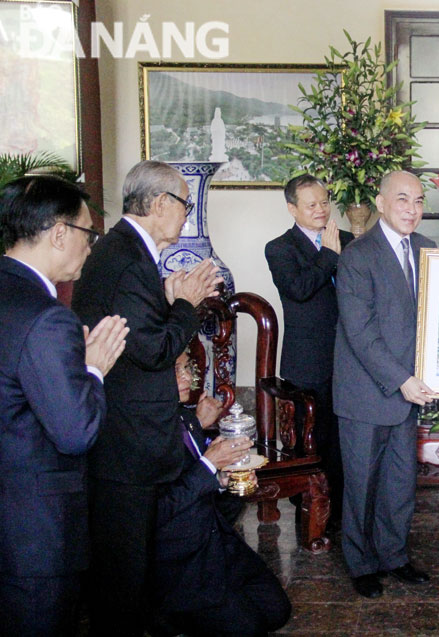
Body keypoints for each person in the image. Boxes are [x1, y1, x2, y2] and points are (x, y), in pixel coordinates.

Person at [72, 160, 222, 635]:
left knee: (137, 566)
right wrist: (185, 303)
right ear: (160, 204)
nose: (186, 214)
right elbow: (155, 349)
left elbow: (139, 331)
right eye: (184, 204)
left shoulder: (131, 254)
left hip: (134, 438)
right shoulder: (123, 258)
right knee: (121, 575)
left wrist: (165, 295)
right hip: (124, 443)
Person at [0, 176, 128, 636]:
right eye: (87, 234)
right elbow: (76, 433)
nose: (90, 248)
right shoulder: (47, 316)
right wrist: (93, 368)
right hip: (33, 535)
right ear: (59, 234)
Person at [333, 170, 436, 598]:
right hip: (368, 391)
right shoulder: (357, 256)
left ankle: (394, 556)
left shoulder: (429, 250)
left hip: (409, 391)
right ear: (380, 202)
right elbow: (360, 332)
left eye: (418, 201)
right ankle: (360, 563)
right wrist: (402, 380)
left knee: (399, 482)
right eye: (402, 200)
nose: (411, 209)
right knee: (362, 482)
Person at [149, 352, 291, 637]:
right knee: (248, 628)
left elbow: (209, 498)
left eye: (187, 367)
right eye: (177, 370)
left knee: (277, 611)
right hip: (181, 566)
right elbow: (157, 511)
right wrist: (209, 464)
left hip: (217, 546)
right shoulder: (142, 432)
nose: (188, 377)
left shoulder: (185, 417)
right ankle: (164, 615)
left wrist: (225, 481)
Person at [265, 174, 354, 531]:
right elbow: (299, 289)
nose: (321, 209)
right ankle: (309, 509)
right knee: (311, 437)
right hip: (308, 360)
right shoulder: (280, 248)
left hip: (348, 356)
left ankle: (343, 511)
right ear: (292, 209)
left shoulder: (347, 240)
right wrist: (329, 255)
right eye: (311, 204)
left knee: (342, 438)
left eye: (324, 202)